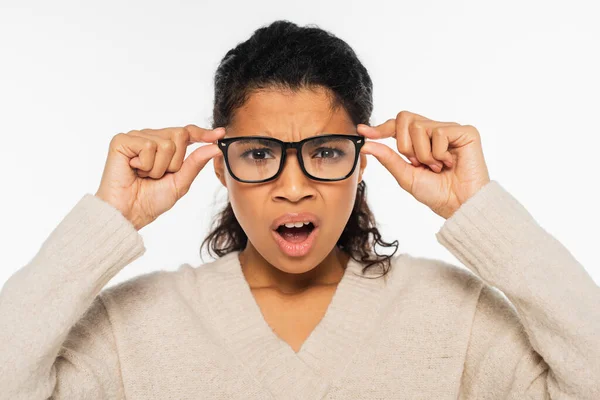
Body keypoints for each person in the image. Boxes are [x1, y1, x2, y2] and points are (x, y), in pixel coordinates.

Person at [0, 19, 598, 400]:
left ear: (361, 163)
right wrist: (109, 220)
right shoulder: (130, 330)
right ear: (220, 164)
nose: (293, 187)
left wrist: (481, 210)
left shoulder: (454, 315)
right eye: (259, 154)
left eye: (326, 152)